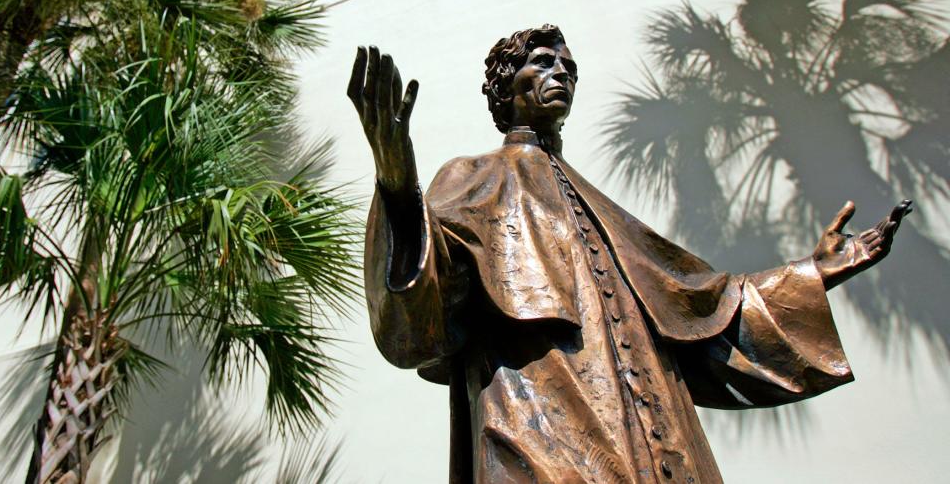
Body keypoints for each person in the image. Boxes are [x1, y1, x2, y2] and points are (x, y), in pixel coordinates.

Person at [347, 25, 911, 484]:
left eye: (567, 65)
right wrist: (398, 187)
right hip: (538, 430)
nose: (561, 71)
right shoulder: (472, 178)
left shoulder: (600, 206)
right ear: (505, 87)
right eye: (542, 62)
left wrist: (817, 273)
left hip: (663, 433)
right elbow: (422, 312)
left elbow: (706, 308)